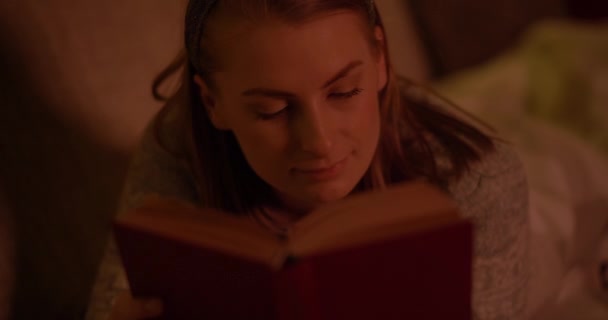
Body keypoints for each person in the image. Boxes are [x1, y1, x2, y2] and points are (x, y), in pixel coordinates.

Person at [86, 0, 530, 319]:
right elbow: (114, 297)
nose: (318, 141)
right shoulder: (177, 145)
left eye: (343, 92)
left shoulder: (477, 181)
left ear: (381, 61)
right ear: (211, 102)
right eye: (272, 111)